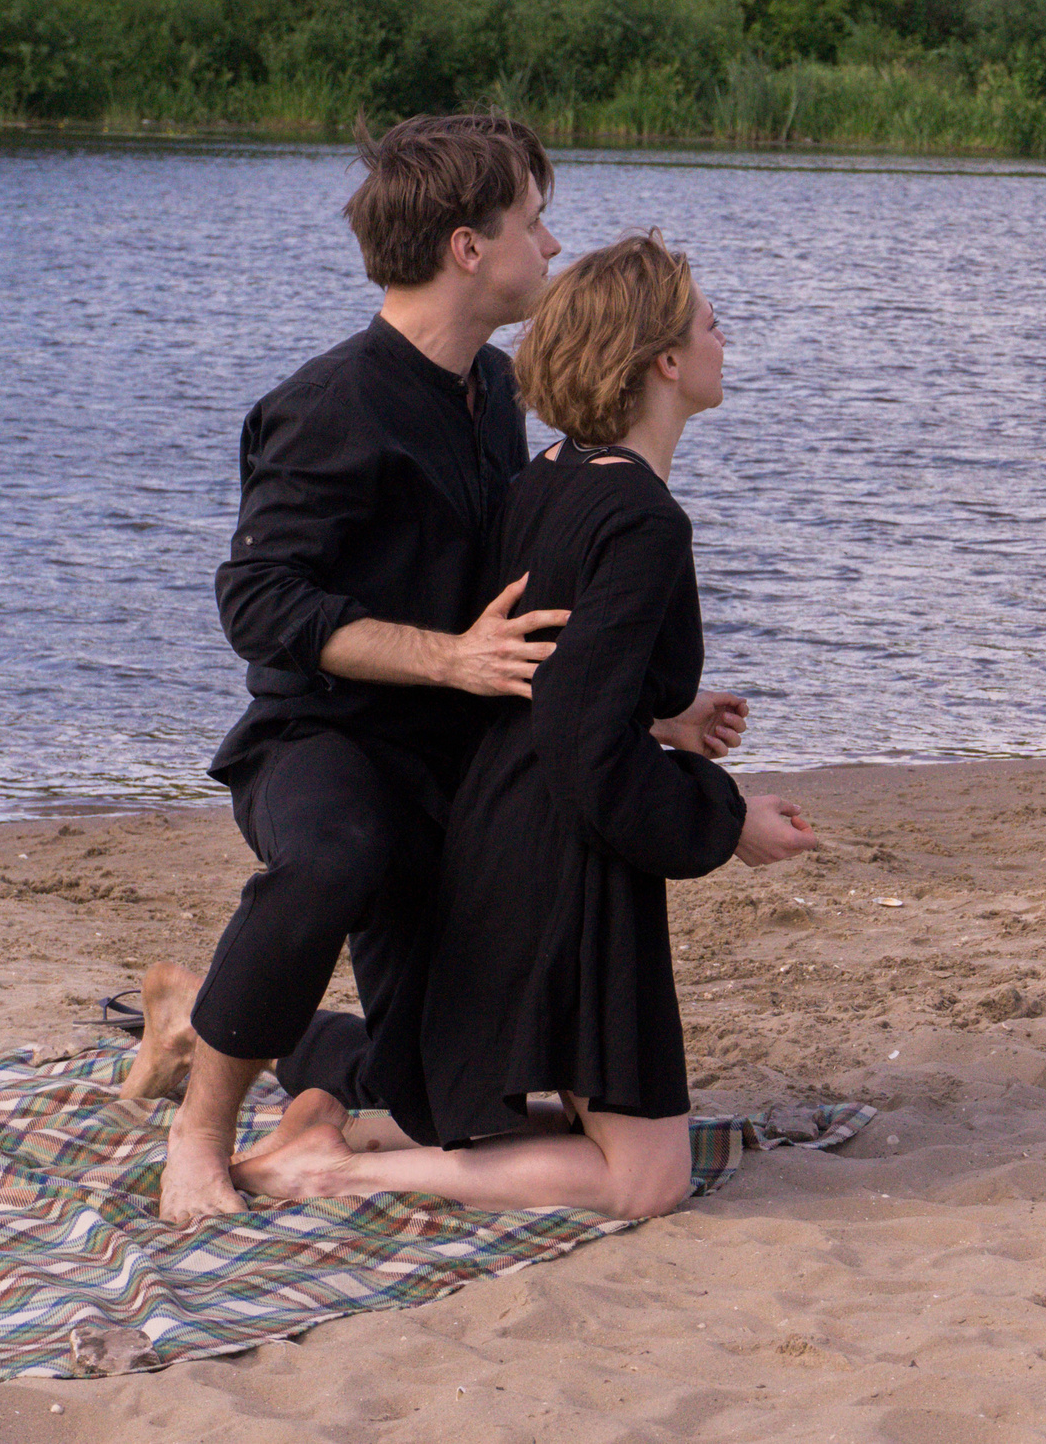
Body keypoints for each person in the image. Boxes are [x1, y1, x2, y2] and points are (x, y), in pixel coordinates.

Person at [121, 116, 742, 1224]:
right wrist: (445, 657)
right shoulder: (328, 405)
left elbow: (539, 616)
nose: (551, 247)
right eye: (532, 221)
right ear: (468, 247)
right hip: (328, 742)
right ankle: (198, 1136)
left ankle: (192, 1014)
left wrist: (657, 711)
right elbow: (258, 604)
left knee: (449, 1094)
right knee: (331, 859)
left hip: (458, 755)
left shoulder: (495, 396)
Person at [229, 232, 820, 1220]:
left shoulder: (545, 476)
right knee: (644, 1181)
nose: (726, 336)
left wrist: (662, 715)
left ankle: (350, 1131)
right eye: (711, 322)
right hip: (562, 861)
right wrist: (727, 821)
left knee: (616, 1144)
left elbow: (562, 681)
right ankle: (334, 1169)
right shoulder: (641, 519)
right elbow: (588, 753)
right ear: (665, 362)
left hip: (502, 831)